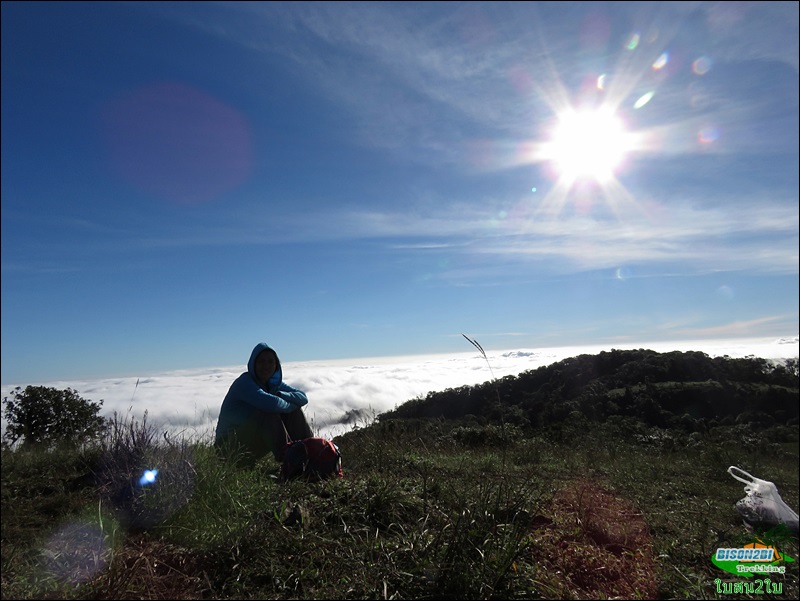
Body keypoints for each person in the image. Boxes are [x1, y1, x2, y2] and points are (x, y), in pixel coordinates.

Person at [214, 342, 313, 466]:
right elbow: (271, 404)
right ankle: (291, 462)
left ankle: (311, 453)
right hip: (226, 450)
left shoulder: (272, 384)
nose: (266, 366)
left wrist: (282, 396)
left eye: (270, 362)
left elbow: (303, 397)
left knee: (294, 411)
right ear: (253, 364)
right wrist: (291, 404)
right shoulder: (244, 383)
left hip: (248, 442)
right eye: (261, 361)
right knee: (267, 414)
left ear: (276, 365)